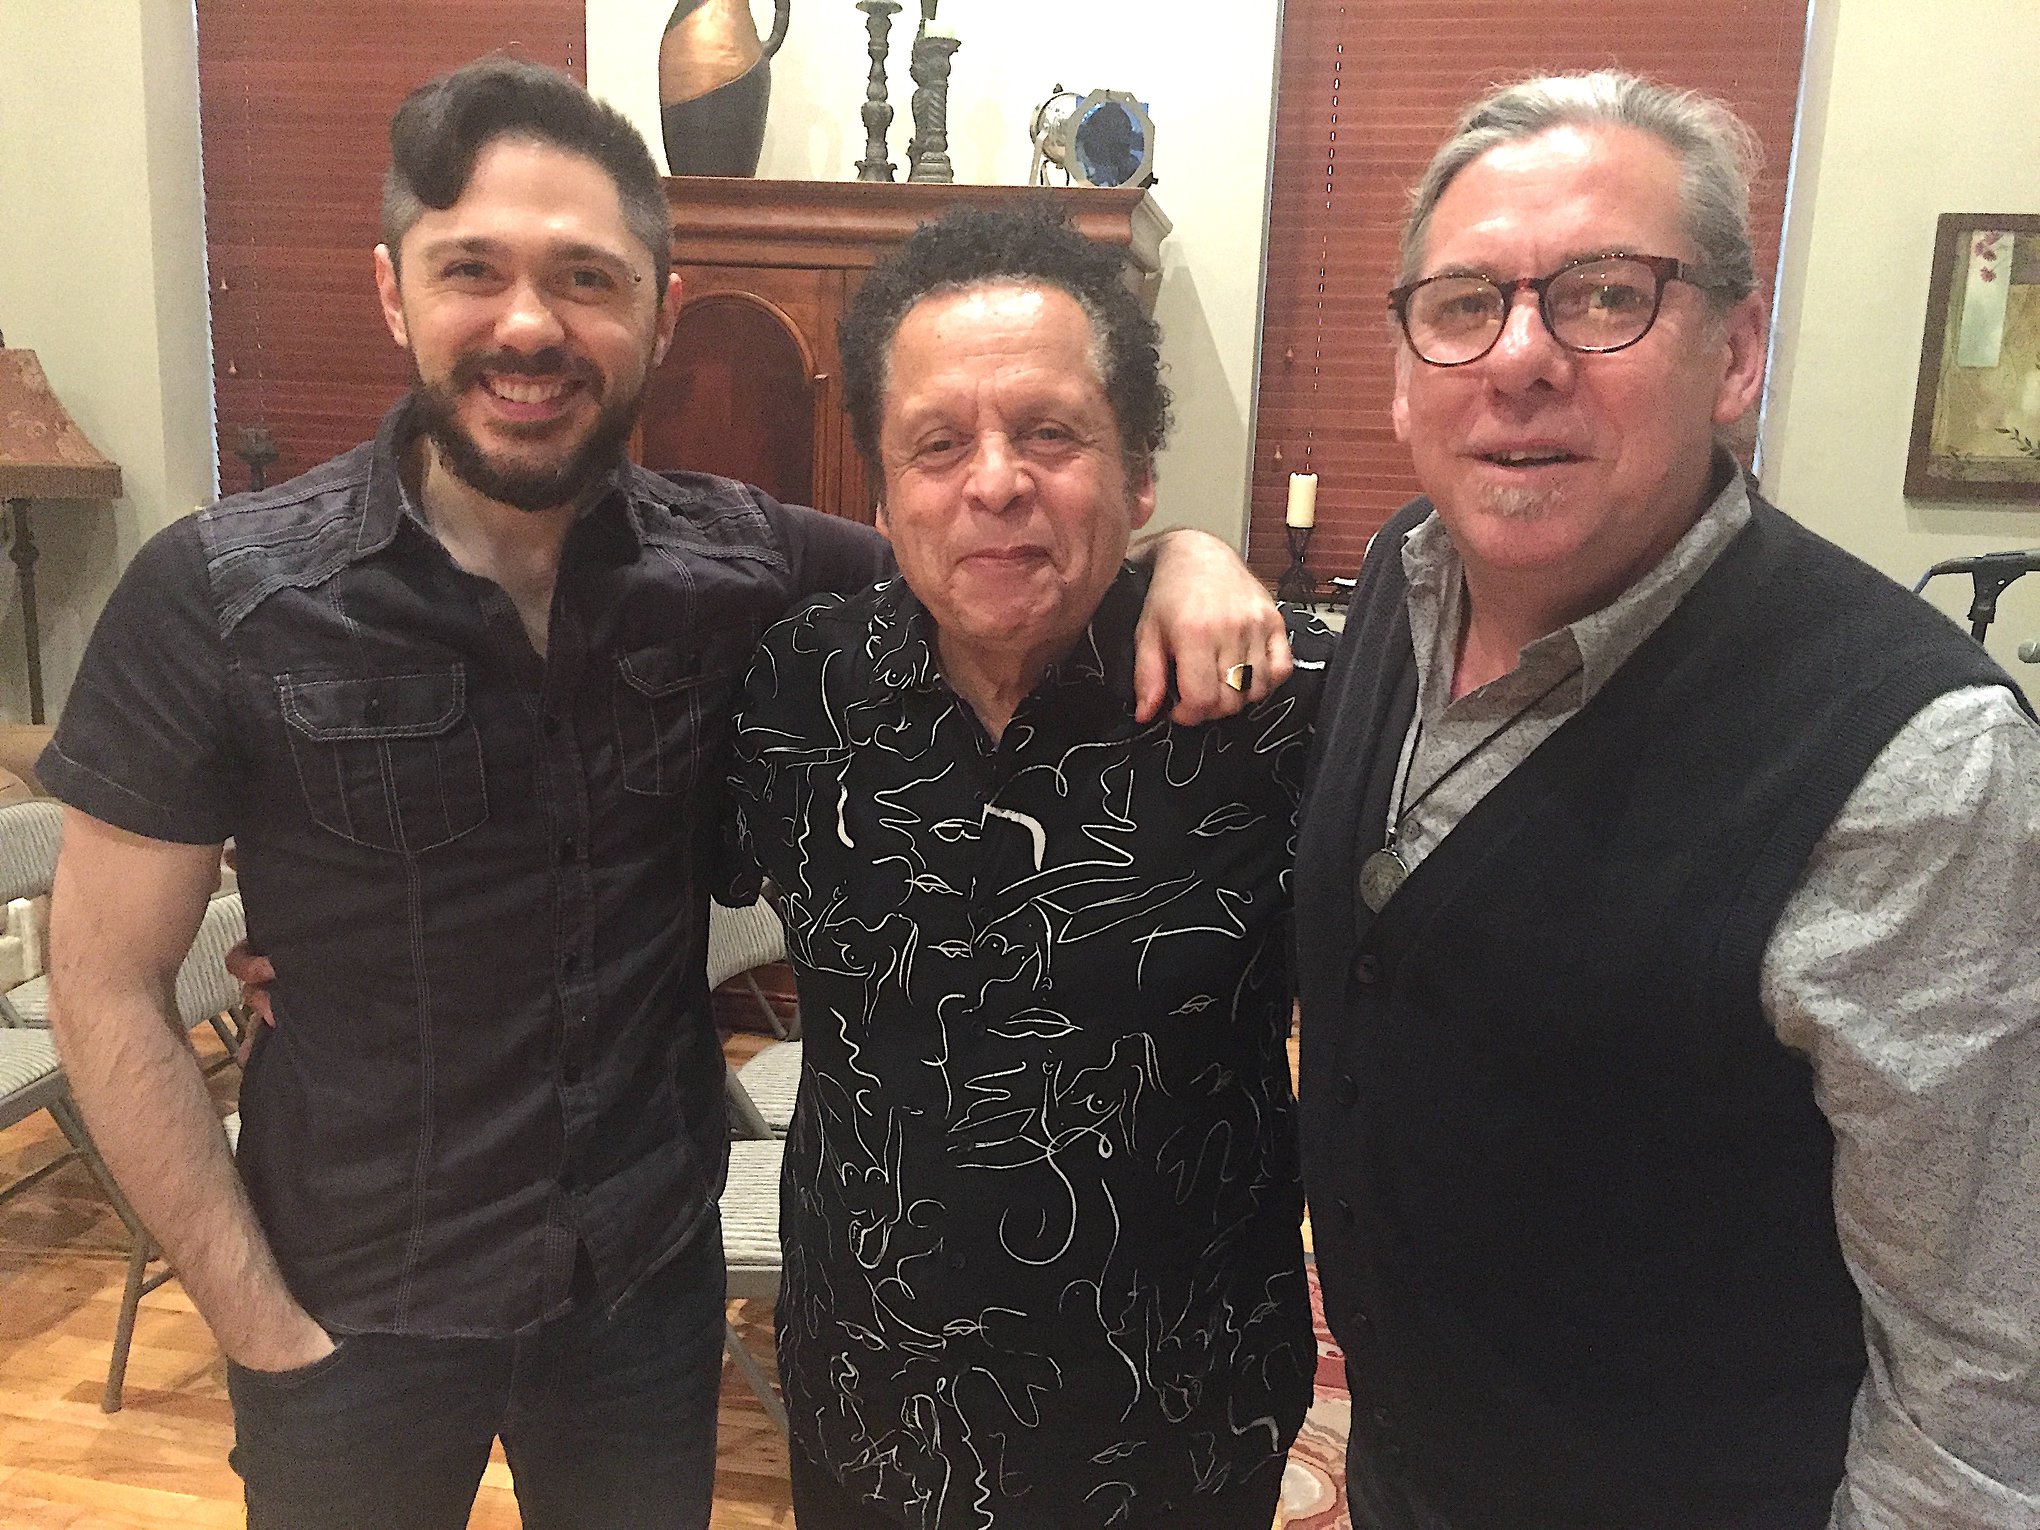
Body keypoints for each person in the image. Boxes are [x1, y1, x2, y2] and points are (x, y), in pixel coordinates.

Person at [36, 56, 1287, 1530]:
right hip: (349, 1308)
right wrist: (254, 1324)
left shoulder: (744, 570)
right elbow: (104, 983)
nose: (528, 324)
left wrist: (1189, 554)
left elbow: (994, 552)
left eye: (586, 277)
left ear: (660, 312)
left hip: (638, 1296)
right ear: (392, 291)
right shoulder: (219, 594)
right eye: (471, 269)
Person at [1295, 70, 2040, 1530]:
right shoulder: (1401, 575)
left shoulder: (1922, 766)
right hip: (1405, 1473)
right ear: (1403, 372)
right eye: (1464, 305)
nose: (1520, 358)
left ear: (1735, 353)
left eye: (1604, 297)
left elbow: (1980, 1383)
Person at [724, 205, 1330, 1529]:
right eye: (938, 444)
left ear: (1141, 475)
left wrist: (1194, 555)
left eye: (1051, 433)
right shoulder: (794, 689)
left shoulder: (1273, 711)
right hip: (871, 1408)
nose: (994, 482)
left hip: (1178, 1424)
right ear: (882, 493)